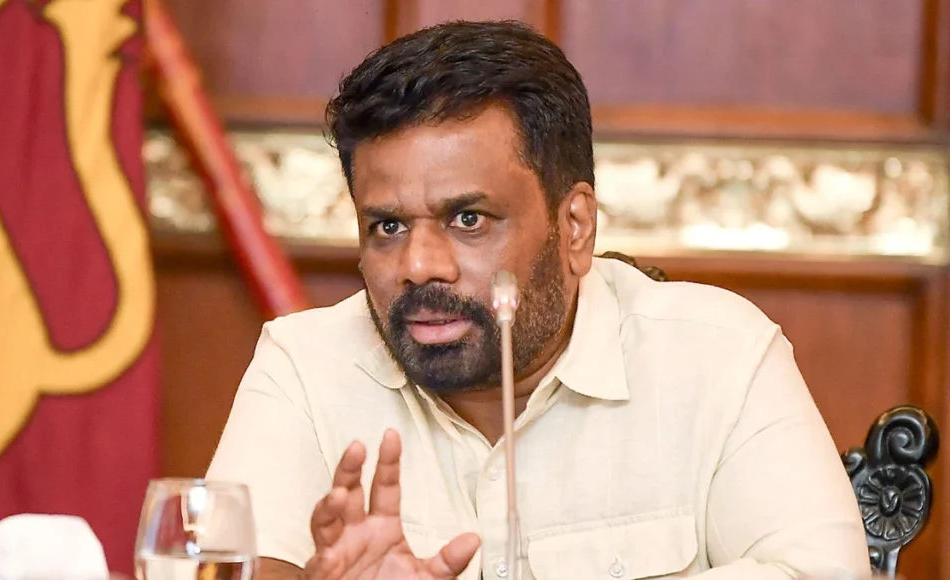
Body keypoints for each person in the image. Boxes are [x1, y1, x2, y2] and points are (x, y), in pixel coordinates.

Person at [206, 20, 871, 580]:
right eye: (388, 226)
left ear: (574, 227)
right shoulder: (305, 365)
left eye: (468, 219)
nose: (418, 266)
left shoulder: (717, 355)